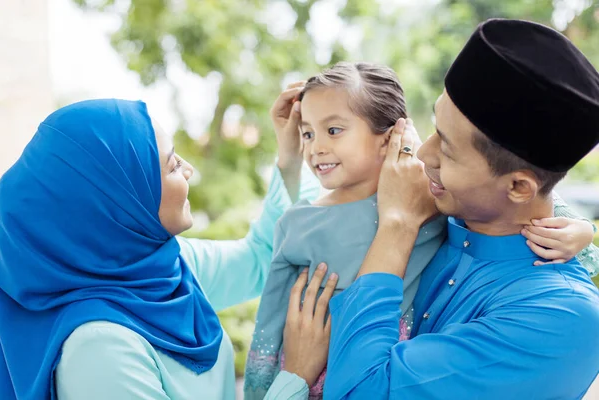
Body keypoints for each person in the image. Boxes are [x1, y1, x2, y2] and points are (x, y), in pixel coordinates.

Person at [245, 61, 599, 399]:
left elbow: (362, 392)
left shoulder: (560, 318)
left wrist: (397, 225)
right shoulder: (455, 209)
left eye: (447, 146)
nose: (423, 154)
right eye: (432, 129)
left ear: (520, 188)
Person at [0, 98, 332, 400]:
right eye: (172, 165)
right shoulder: (100, 349)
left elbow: (259, 260)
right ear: (121, 201)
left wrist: (291, 158)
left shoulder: (160, 268)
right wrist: (297, 376)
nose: (189, 170)